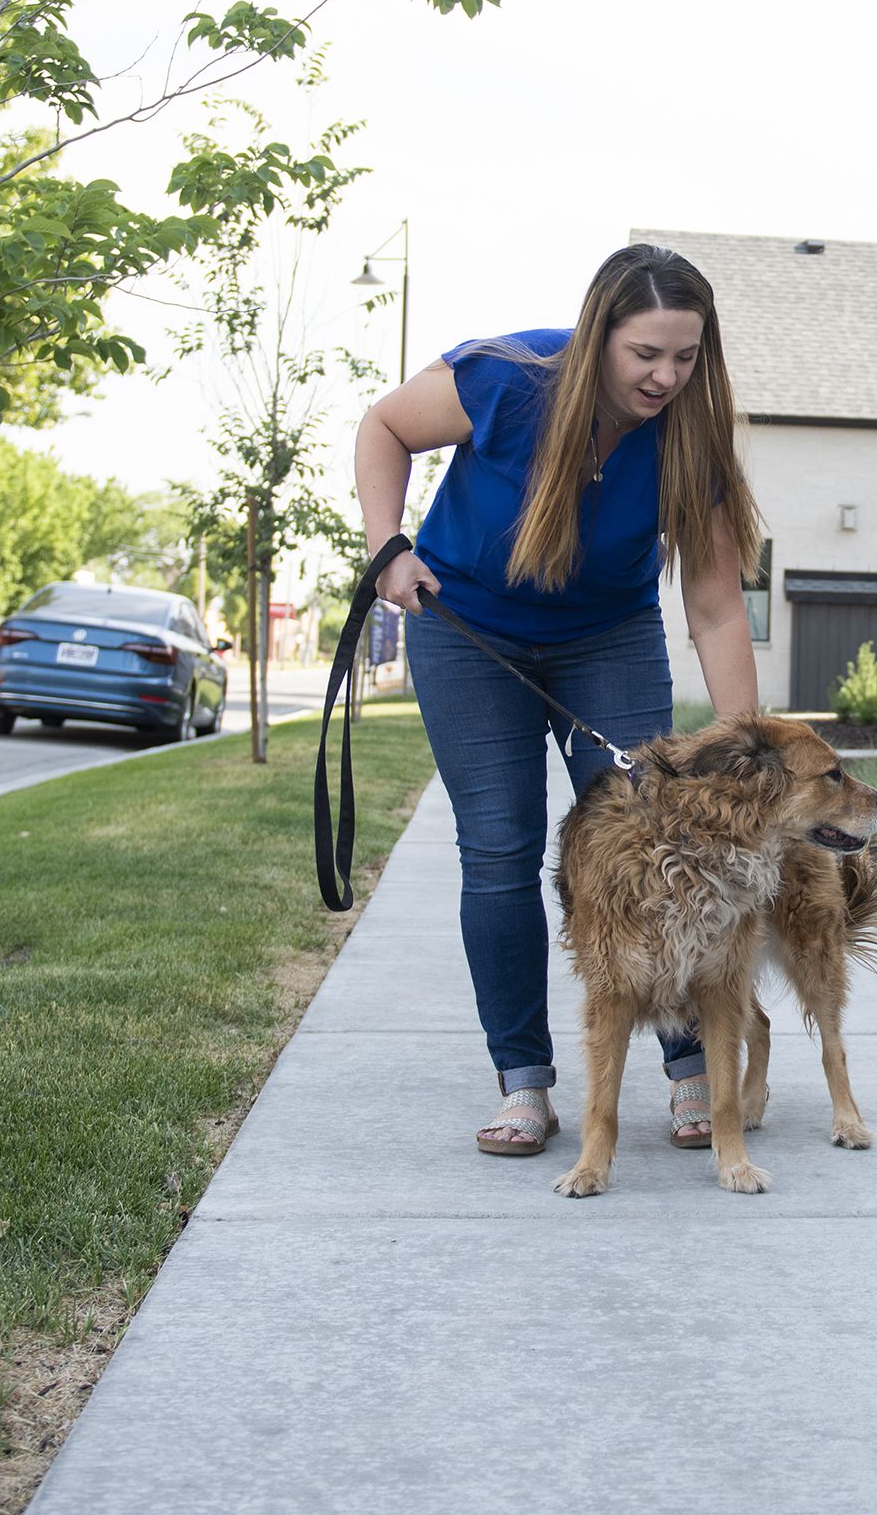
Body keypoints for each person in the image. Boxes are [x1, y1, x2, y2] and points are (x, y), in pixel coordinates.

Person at [353, 243, 765, 1156]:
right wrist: (389, 545)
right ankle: (525, 1082)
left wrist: (746, 752)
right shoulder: (507, 381)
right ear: (597, 336)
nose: (666, 376)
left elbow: (714, 603)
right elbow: (384, 426)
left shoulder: (689, 437)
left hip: (606, 638)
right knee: (498, 845)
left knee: (662, 834)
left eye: (686, 356)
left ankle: (692, 1062)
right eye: (645, 354)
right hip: (466, 630)